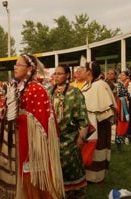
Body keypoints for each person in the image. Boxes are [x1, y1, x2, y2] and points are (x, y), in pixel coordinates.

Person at [0, 54, 64, 199]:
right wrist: (2, 114)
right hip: (16, 142)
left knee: (30, 178)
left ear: (30, 68)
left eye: (19, 65)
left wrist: (19, 117)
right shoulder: (17, 87)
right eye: (15, 64)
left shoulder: (37, 89)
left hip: (31, 145)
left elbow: (42, 123)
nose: (15, 67)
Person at [51, 65, 89, 199]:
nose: (56, 76)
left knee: (71, 169)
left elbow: (83, 116)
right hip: (52, 139)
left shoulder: (75, 93)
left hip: (70, 139)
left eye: (59, 73)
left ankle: (75, 194)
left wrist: (81, 137)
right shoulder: (49, 92)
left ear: (67, 75)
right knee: (54, 170)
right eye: (55, 73)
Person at [80, 61, 117, 183]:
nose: (81, 72)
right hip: (89, 126)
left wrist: (95, 118)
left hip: (99, 127)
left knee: (98, 151)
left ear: (89, 72)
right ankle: (88, 175)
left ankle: (97, 177)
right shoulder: (87, 85)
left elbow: (107, 109)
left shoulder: (100, 85)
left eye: (83, 70)